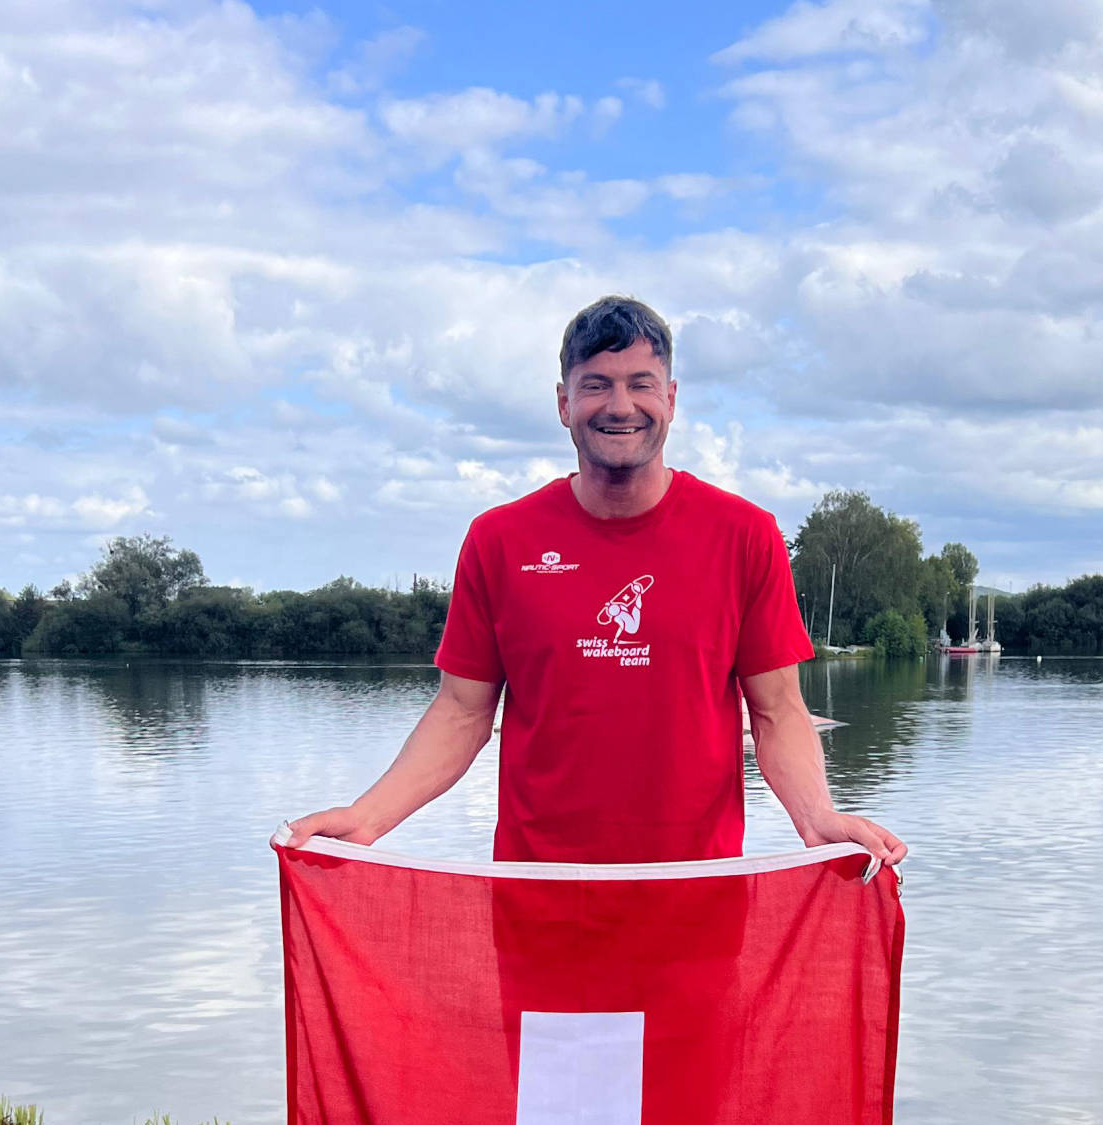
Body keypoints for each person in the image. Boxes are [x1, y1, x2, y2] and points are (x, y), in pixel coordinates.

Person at [284, 295, 906, 868]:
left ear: (671, 399)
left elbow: (777, 712)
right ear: (564, 403)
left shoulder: (745, 535)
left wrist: (817, 818)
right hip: (538, 895)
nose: (620, 406)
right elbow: (460, 712)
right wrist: (368, 818)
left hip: (699, 894)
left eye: (641, 384)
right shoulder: (499, 540)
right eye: (596, 385)